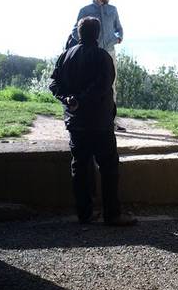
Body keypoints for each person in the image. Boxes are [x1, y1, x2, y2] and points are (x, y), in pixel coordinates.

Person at [50, 16, 136, 226]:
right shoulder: (102, 57)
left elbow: (54, 83)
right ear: (97, 34)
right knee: (108, 167)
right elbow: (102, 86)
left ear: (78, 33)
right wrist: (80, 100)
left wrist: (69, 100)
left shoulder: (65, 57)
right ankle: (112, 215)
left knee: (80, 167)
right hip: (99, 123)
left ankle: (85, 213)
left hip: (75, 123)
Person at [71, 0, 125, 128]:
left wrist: (118, 38)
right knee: (89, 84)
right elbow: (75, 31)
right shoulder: (85, 10)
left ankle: (111, 120)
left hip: (108, 53)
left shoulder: (113, 10)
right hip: (91, 56)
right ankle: (89, 118)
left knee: (110, 85)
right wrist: (85, 45)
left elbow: (119, 28)